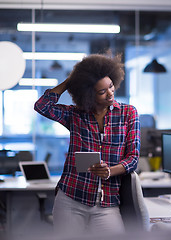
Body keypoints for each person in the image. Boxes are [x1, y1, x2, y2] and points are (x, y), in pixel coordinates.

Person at [34, 54, 140, 237]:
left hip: (107, 202)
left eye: (111, 86)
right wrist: (71, 81)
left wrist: (110, 171)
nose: (110, 93)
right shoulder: (76, 115)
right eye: (102, 92)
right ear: (88, 94)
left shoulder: (128, 113)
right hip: (71, 199)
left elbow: (133, 158)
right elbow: (42, 106)